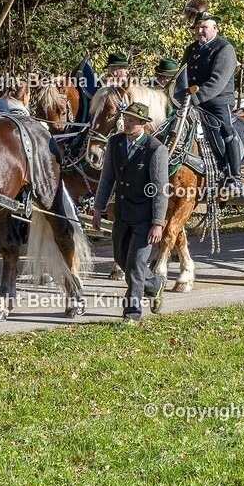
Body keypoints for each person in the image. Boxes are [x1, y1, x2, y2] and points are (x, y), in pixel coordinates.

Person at [92, 102, 168, 324]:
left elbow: (161, 190)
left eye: (133, 120)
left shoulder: (156, 149)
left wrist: (158, 222)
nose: (127, 123)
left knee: (135, 266)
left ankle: (132, 314)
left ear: (143, 124)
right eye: (126, 119)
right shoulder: (115, 143)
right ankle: (155, 284)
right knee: (121, 259)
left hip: (145, 218)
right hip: (122, 215)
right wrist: (99, 207)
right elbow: (107, 178)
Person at [181, 10, 243, 193]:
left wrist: (194, 98)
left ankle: (234, 176)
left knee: (225, 131)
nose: (201, 31)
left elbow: (217, 81)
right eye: (198, 27)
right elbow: (182, 76)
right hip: (191, 101)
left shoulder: (225, 48)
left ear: (215, 28)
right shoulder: (191, 49)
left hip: (217, 101)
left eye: (205, 27)